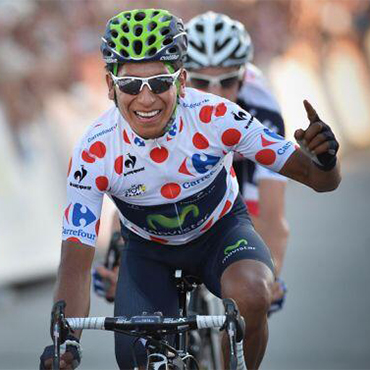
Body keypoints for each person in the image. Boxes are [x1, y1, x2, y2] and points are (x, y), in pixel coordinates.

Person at [39, 8, 341, 370]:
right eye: (131, 85)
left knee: (252, 292)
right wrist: (66, 341)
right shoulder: (94, 151)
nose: (146, 99)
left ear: (181, 80)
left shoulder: (218, 117)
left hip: (221, 233)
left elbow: (320, 181)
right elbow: (74, 264)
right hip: (149, 253)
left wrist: (325, 160)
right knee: (139, 359)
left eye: (161, 83)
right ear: (109, 87)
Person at [184, 11, 289, 312]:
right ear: (182, 79)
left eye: (227, 80)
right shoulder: (168, 102)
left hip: (242, 168)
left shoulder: (262, 107)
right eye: (201, 83)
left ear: (243, 76)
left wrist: (269, 275)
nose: (215, 94)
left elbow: (273, 218)